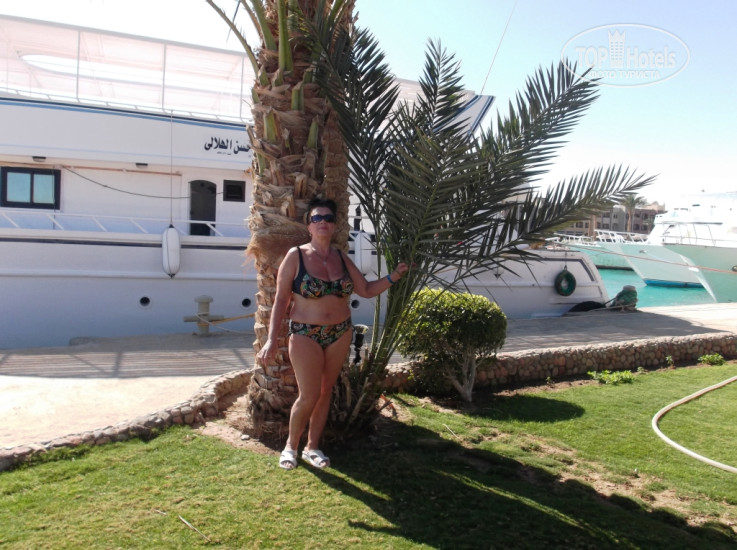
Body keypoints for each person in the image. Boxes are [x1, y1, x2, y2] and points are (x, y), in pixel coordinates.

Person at [257, 198, 409, 470]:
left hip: (340, 332)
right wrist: (270, 339)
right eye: (317, 218)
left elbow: (365, 290)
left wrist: (394, 276)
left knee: (326, 391)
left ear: (334, 225)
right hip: (305, 333)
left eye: (328, 218)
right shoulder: (296, 256)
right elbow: (280, 301)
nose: (323, 223)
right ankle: (290, 447)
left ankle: (313, 447)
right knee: (309, 394)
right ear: (309, 226)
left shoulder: (341, 258)